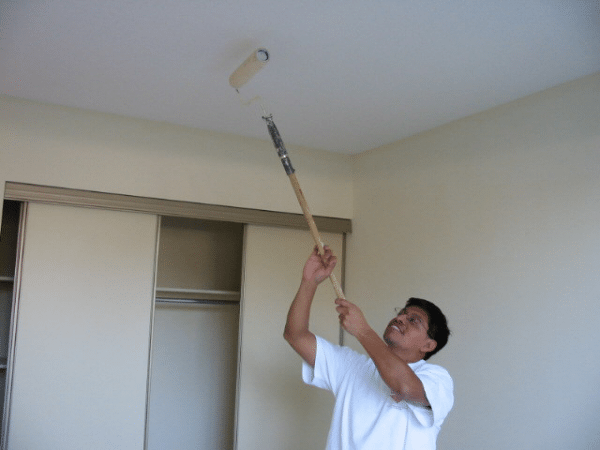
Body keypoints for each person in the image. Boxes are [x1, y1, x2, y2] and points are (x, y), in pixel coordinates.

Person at [284, 246, 454, 450]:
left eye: (413, 320)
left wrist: (363, 331)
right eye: (401, 313)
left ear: (428, 345)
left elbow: (405, 387)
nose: (400, 318)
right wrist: (309, 283)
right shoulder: (351, 366)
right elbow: (295, 335)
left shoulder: (436, 379)